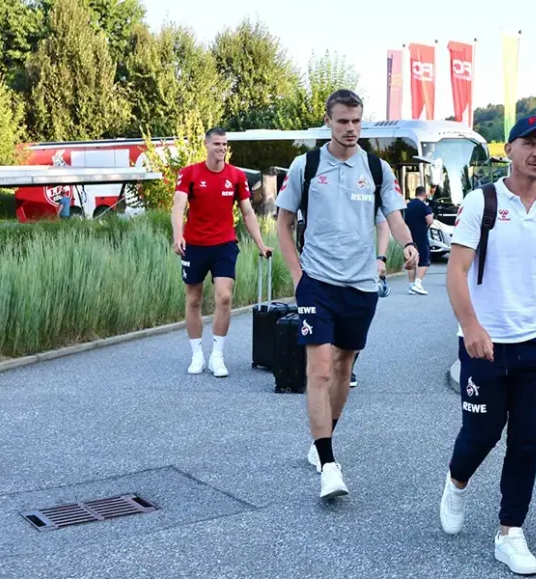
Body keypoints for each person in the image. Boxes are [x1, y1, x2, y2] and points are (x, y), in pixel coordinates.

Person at [438, 116, 536, 576]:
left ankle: (510, 532)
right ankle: (457, 482)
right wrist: (472, 326)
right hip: (485, 345)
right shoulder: (483, 202)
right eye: (530, 144)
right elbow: (456, 272)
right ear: (509, 149)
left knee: (528, 441)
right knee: (481, 434)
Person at [275, 89, 418, 500]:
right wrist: (298, 276)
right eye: (342, 121)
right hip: (317, 282)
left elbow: (393, 214)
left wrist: (408, 246)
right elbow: (283, 225)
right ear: (328, 122)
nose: (351, 129)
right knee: (318, 370)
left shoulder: (377, 169)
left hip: (361, 286)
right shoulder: (307, 166)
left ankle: (322, 438)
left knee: (342, 368)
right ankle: (329, 463)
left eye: (356, 121)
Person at [172, 127, 272, 378]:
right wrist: (178, 235)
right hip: (194, 245)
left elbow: (248, 212)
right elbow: (178, 207)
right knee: (194, 299)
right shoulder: (190, 173)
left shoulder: (236, 176)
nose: (221, 148)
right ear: (206, 145)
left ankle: (217, 356)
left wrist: (260, 243)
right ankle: (197, 355)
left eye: (225, 144)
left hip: (224, 245)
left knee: (224, 297)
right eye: (217, 144)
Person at [349, 215, 391, 389]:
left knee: (354, 325)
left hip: (361, 269)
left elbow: (384, 223)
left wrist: (381, 258)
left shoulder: (371, 188)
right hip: (323, 268)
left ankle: (347, 367)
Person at [404, 186, 434, 294]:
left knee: (411, 259)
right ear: (424, 194)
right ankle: (418, 283)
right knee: (424, 259)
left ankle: (411, 285)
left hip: (409, 236)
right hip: (421, 235)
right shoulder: (424, 206)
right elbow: (430, 221)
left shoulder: (407, 205)